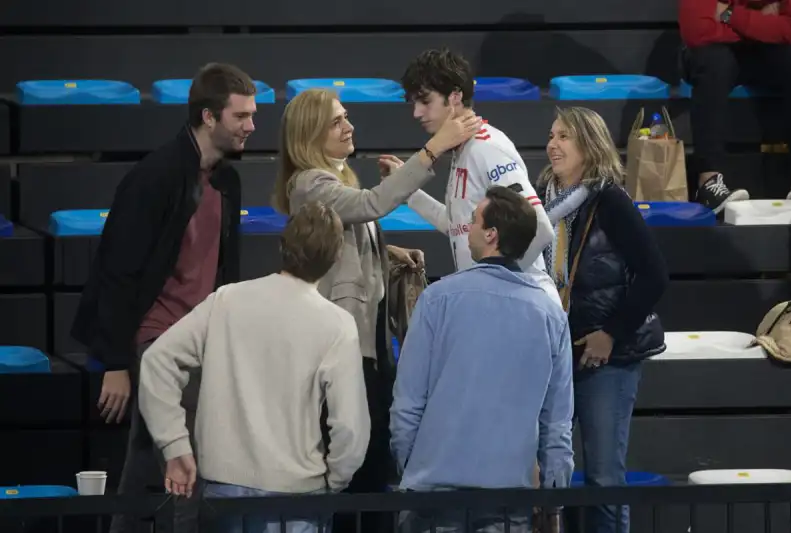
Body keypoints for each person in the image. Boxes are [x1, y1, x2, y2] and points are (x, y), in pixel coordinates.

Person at [273, 88, 482, 533]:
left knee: (374, 464)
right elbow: (370, 205)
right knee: (359, 470)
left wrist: (392, 253)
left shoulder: (335, 177)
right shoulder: (311, 183)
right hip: (343, 350)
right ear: (310, 134)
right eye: (336, 122)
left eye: (346, 117)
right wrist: (431, 150)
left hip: (368, 346)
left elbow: (347, 242)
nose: (349, 127)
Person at [70, 63, 256, 533]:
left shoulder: (228, 183)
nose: (251, 126)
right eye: (241, 116)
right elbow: (116, 270)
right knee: (184, 461)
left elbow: (224, 272)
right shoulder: (154, 177)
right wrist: (115, 361)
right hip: (157, 339)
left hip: (202, 339)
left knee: (145, 463)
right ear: (209, 117)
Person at [138, 201, 370, 533]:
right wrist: (337, 479)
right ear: (335, 260)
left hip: (223, 490)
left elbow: (157, 359)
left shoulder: (227, 301)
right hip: (298, 495)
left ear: (282, 245)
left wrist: (174, 444)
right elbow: (350, 426)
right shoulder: (338, 325)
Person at [390, 186, 574, 533]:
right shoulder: (551, 315)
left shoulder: (437, 300)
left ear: (491, 234)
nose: (467, 228)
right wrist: (553, 503)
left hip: (431, 494)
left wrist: (412, 468)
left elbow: (407, 403)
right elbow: (557, 426)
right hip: (507, 500)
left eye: (473, 220)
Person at [538, 107, 669, 533]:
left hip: (604, 359)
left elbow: (654, 274)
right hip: (553, 354)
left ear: (589, 146)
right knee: (543, 473)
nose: (553, 145)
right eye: (552, 136)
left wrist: (610, 334)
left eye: (564, 138)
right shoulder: (540, 197)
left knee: (603, 477)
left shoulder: (610, 199)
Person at [383, 47, 559, 305]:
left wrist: (494, 288)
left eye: (425, 101)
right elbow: (458, 226)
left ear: (454, 97)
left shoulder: (486, 147)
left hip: (520, 305)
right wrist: (407, 191)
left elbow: (541, 228)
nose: (417, 113)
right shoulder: (464, 150)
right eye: (414, 103)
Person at [679, 0, 791, 212]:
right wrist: (763, 23)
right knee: (714, 62)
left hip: (764, 50)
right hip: (715, 51)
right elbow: (698, 30)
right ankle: (708, 182)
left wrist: (729, 15)